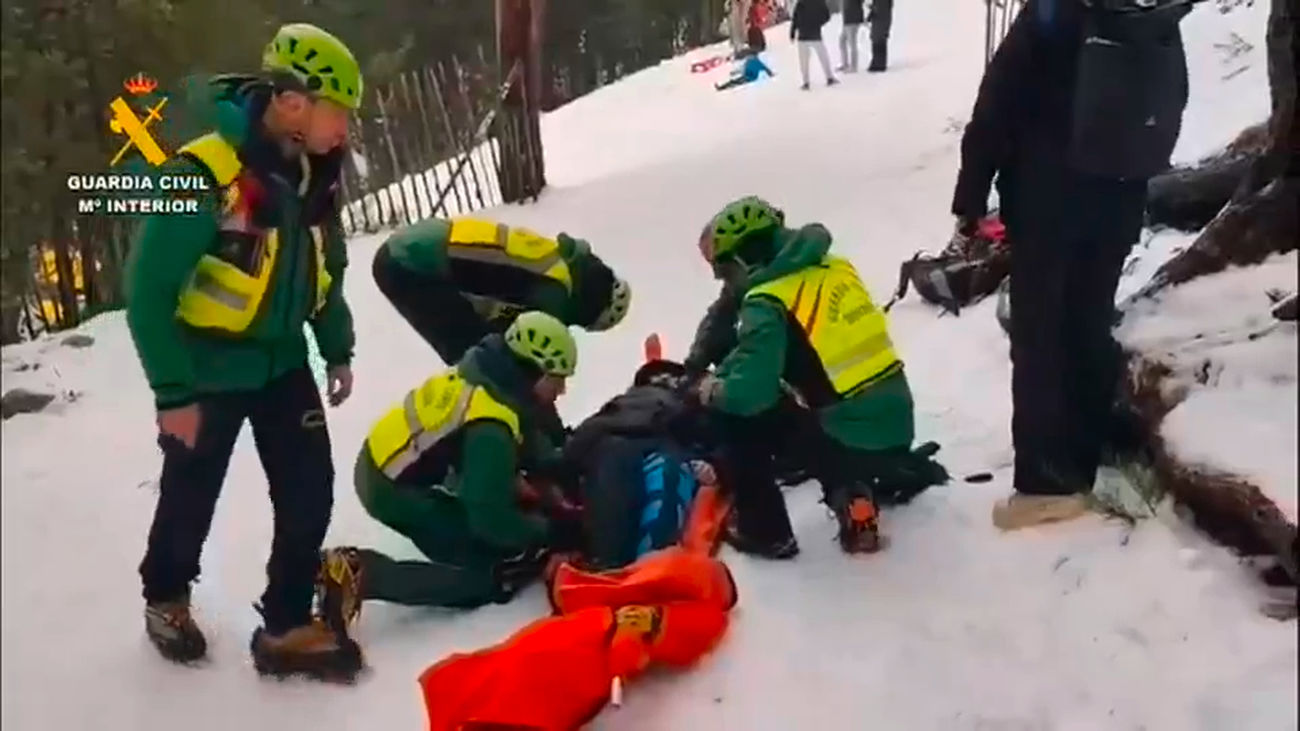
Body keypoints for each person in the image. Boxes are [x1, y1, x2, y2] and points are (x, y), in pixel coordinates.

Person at [124, 23, 364, 681]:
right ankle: (166, 596)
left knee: (309, 489)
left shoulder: (316, 173)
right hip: (206, 366)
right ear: (291, 102)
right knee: (191, 491)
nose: (345, 126)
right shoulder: (203, 174)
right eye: (337, 109)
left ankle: (285, 623)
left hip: (283, 361)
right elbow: (145, 293)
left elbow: (325, 267)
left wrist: (335, 346)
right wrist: (173, 392)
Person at [950, 0, 1191, 530]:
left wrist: (969, 200)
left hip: (1048, 201)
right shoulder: (1143, 13)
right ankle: (1088, 446)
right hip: (1120, 194)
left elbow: (996, 107)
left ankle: (1044, 485)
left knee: (1039, 336)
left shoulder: (1052, 13)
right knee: (1086, 321)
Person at [689, 196, 947, 557]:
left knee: (734, 415)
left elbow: (749, 394)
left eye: (726, 270)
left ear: (745, 255)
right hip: (895, 424)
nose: (727, 281)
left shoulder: (767, 300)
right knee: (819, 399)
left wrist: (707, 387)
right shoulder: (834, 267)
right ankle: (855, 493)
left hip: (845, 438)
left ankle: (766, 532)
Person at [314, 312, 580, 629]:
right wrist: (546, 532)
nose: (562, 389)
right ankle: (362, 573)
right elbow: (488, 518)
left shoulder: (486, 373)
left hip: (388, 461)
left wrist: (547, 468)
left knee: (498, 516)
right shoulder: (491, 427)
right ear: (533, 371)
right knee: (485, 577)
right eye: (557, 378)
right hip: (392, 490)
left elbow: (523, 438)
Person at [372, 217, 631, 369]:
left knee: (481, 347)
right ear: (591, 306)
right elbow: (526, 361)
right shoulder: (556, 293)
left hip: (418, 243)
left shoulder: (561, 263)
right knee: (480, 362)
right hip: (411, 261)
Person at [561, 359, 722, 570]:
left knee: (662, 472)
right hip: (630, 442)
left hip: (653, 443)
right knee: (637, 470)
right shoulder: (625, 405)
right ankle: (628, 560)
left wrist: (713, 464)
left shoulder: (682, 405)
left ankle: (635, 560)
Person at [791, 0, 837, 90]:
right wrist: (818, 23)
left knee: (804, 60)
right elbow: (827, 16)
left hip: (803, 35)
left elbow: (795, 19)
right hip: (815, 33)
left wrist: (792, 32)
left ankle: (806, 82)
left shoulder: (800, 3)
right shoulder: (819, 2)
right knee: (823, 56)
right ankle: (829, 77)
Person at [839, 0, 867, 72]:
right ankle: (845, 63)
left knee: (852, 43)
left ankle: (854, 67)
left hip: (853, 19)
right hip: (847, 19)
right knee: (842, 41)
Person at [867, 0, 894, 72]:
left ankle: (879, 64)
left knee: (878, 42)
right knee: (879, 41)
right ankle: (878, 63)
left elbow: (879, 9)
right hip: (881, 21)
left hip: (880, 22)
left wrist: (872, 11)